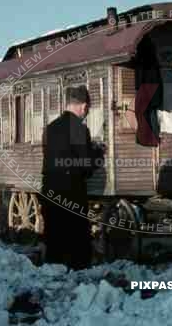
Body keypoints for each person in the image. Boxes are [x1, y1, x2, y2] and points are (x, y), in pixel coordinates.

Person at [41, 85, 103, 269]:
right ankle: (78, 280)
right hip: (71, 191)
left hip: (50, 189)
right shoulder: (78, 128)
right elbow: (85, 165)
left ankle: (53, 276)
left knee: (54, 237)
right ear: (83, 107)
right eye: (87, 109)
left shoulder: (50, 128)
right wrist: (97, 155)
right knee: (77, 241)